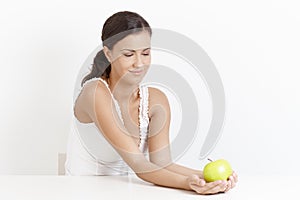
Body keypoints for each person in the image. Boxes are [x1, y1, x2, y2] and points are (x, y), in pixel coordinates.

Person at [65, 11, 238, 195]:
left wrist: (209, 179)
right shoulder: (95, 93)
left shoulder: (155, 99)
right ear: (108, 54)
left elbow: (162, 164)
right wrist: (190, 184)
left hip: (123, 192)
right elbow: (140, 165)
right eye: (129, 54)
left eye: (146, 53)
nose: (139, 63)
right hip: (81, 192)